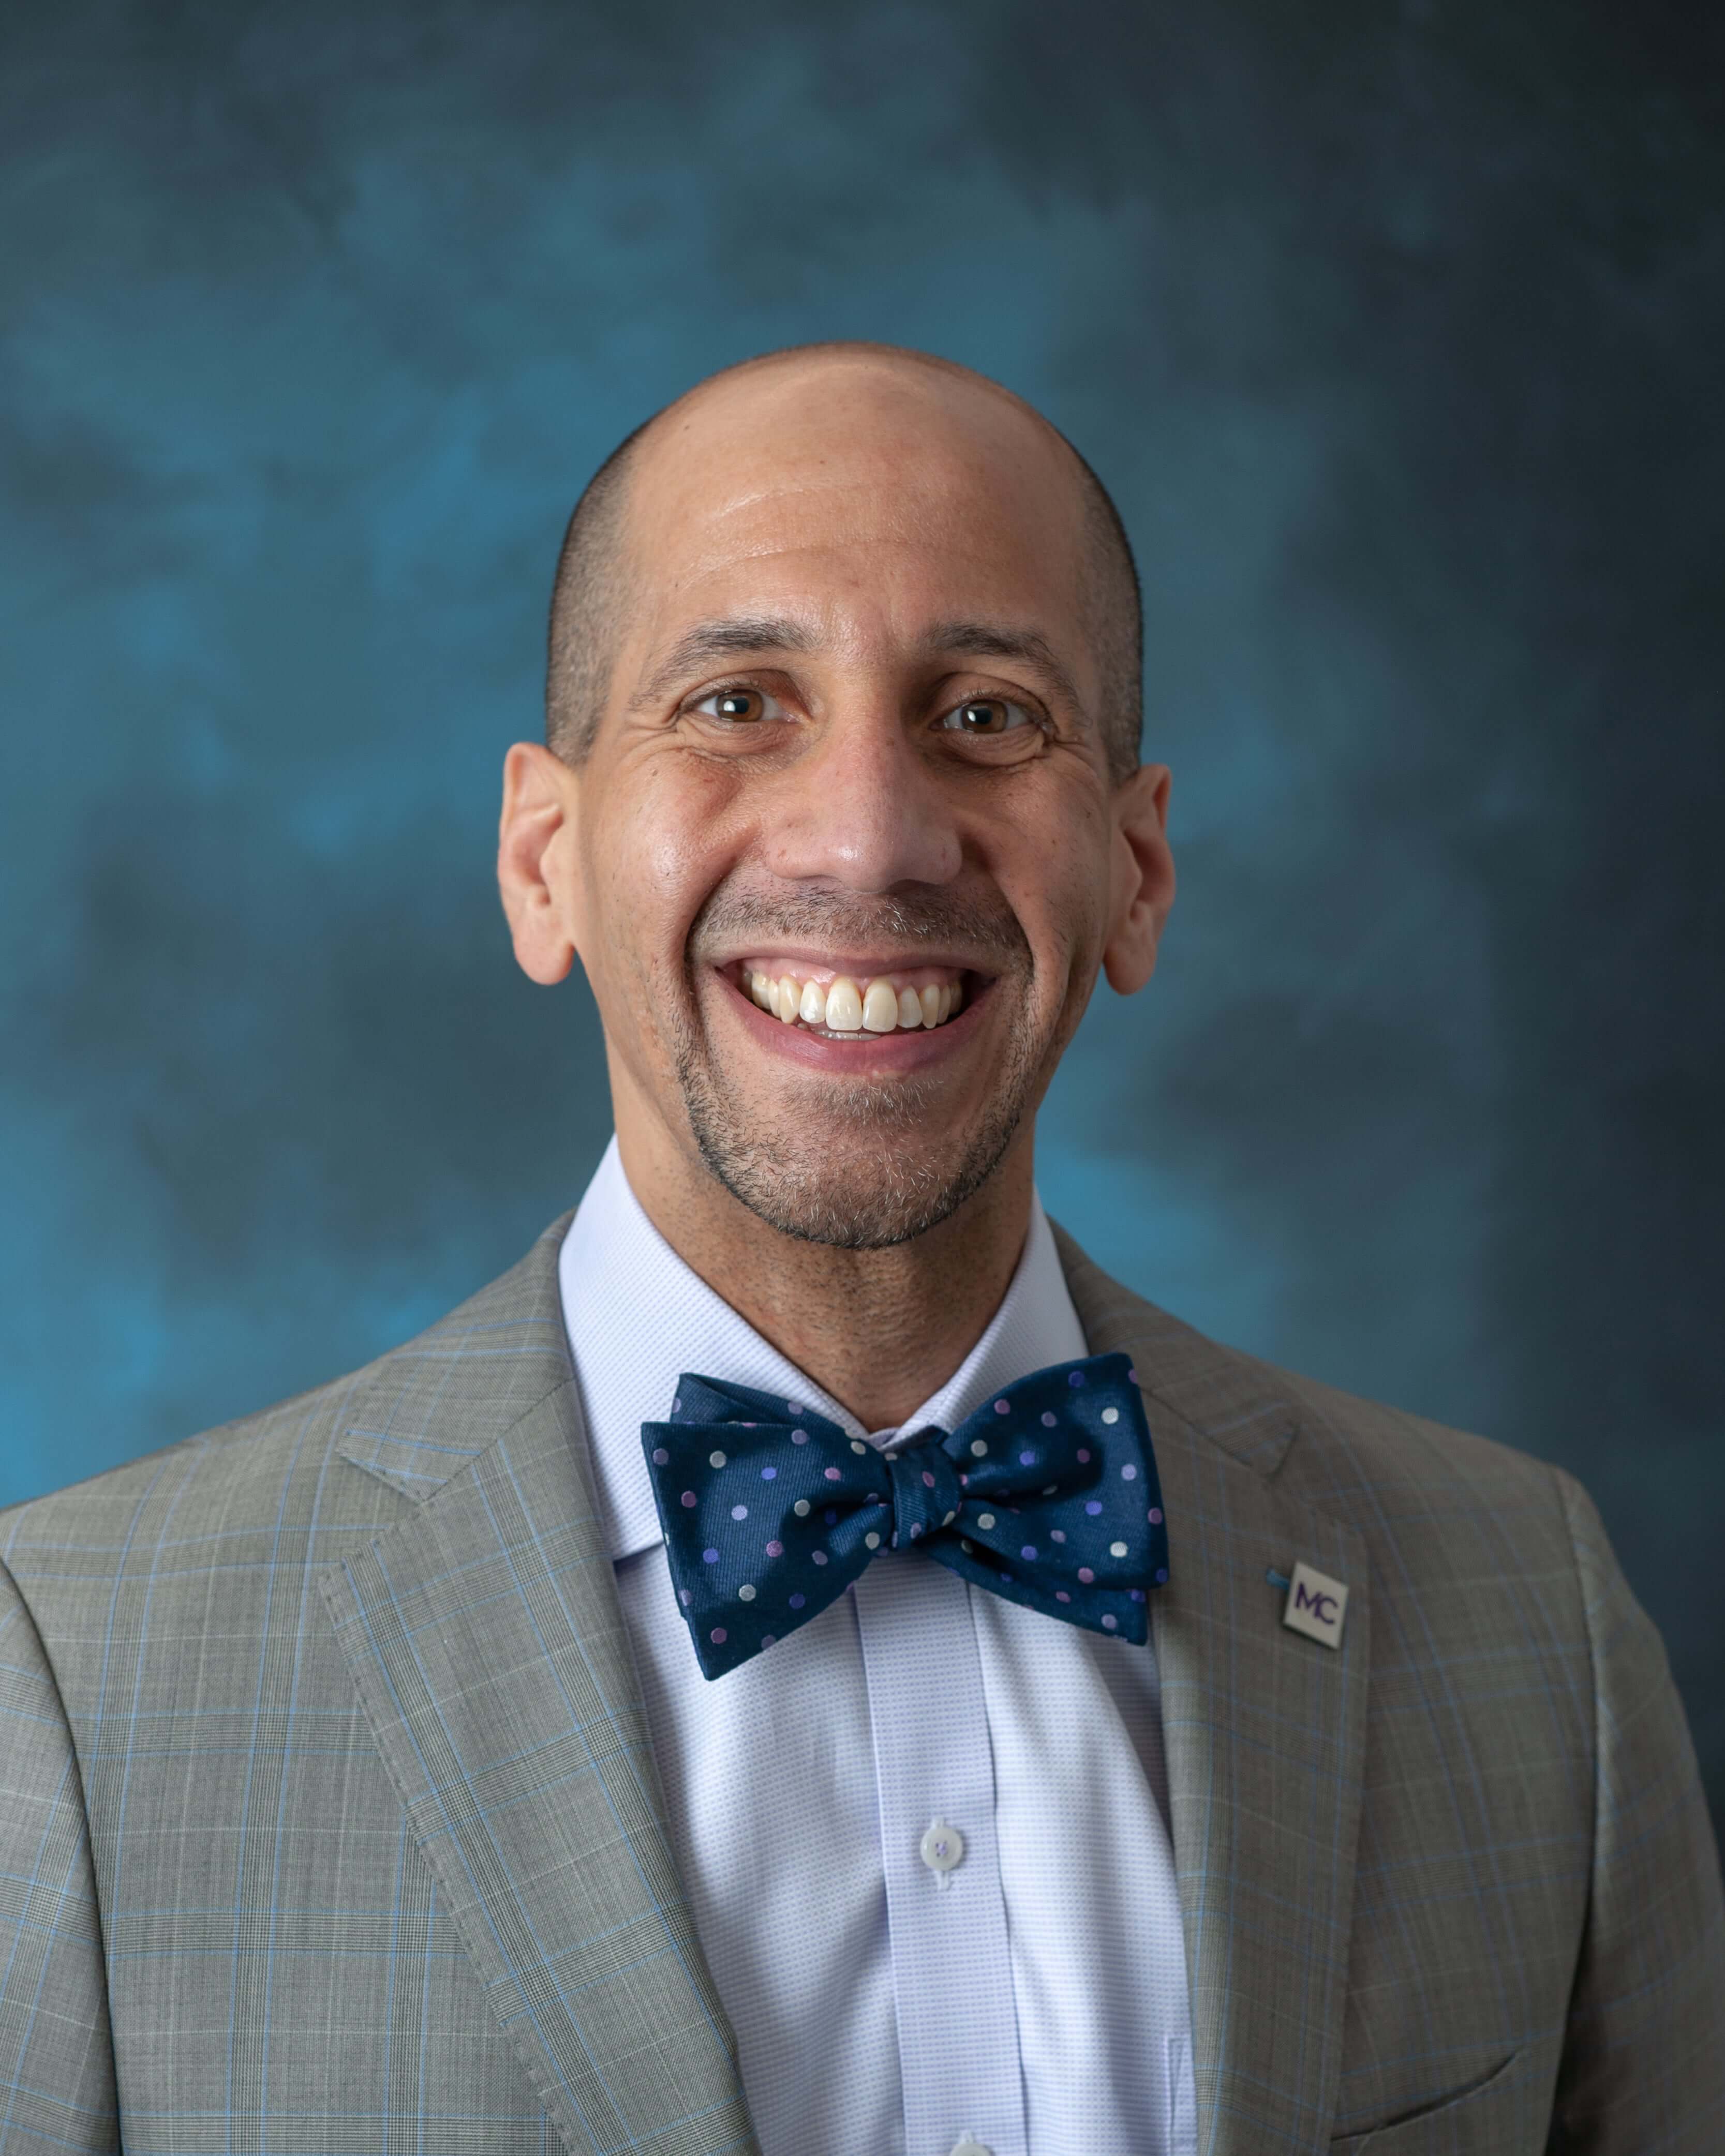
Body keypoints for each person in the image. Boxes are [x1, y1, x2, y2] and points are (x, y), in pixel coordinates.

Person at [1, 344, 1719, 2156]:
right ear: (543, 858)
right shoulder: (80, 1682)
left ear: (1135, 872)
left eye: (985, 715)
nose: (872, 838)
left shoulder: (1532, 1623)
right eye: (738, 701)